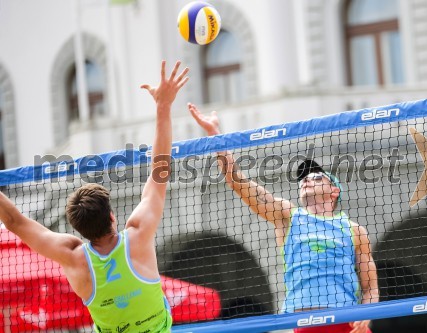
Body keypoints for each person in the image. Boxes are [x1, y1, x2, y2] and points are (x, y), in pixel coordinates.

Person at [0, 60, 189, 333]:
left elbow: (15, 222)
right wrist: (163, 107)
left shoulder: (74, 258)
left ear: (77, 230)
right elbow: (160, 171)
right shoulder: (138, 236)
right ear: (112, 216)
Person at [188, 103, 379, 333]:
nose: (307, 180)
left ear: (334, 190)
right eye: (303, 180)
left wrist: (367, 314)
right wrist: (215, 136)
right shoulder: (288, 216)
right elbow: (238, 182)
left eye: (317, 177)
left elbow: (371, 288)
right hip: (304, 321)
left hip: (348, 322)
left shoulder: (354, 230)